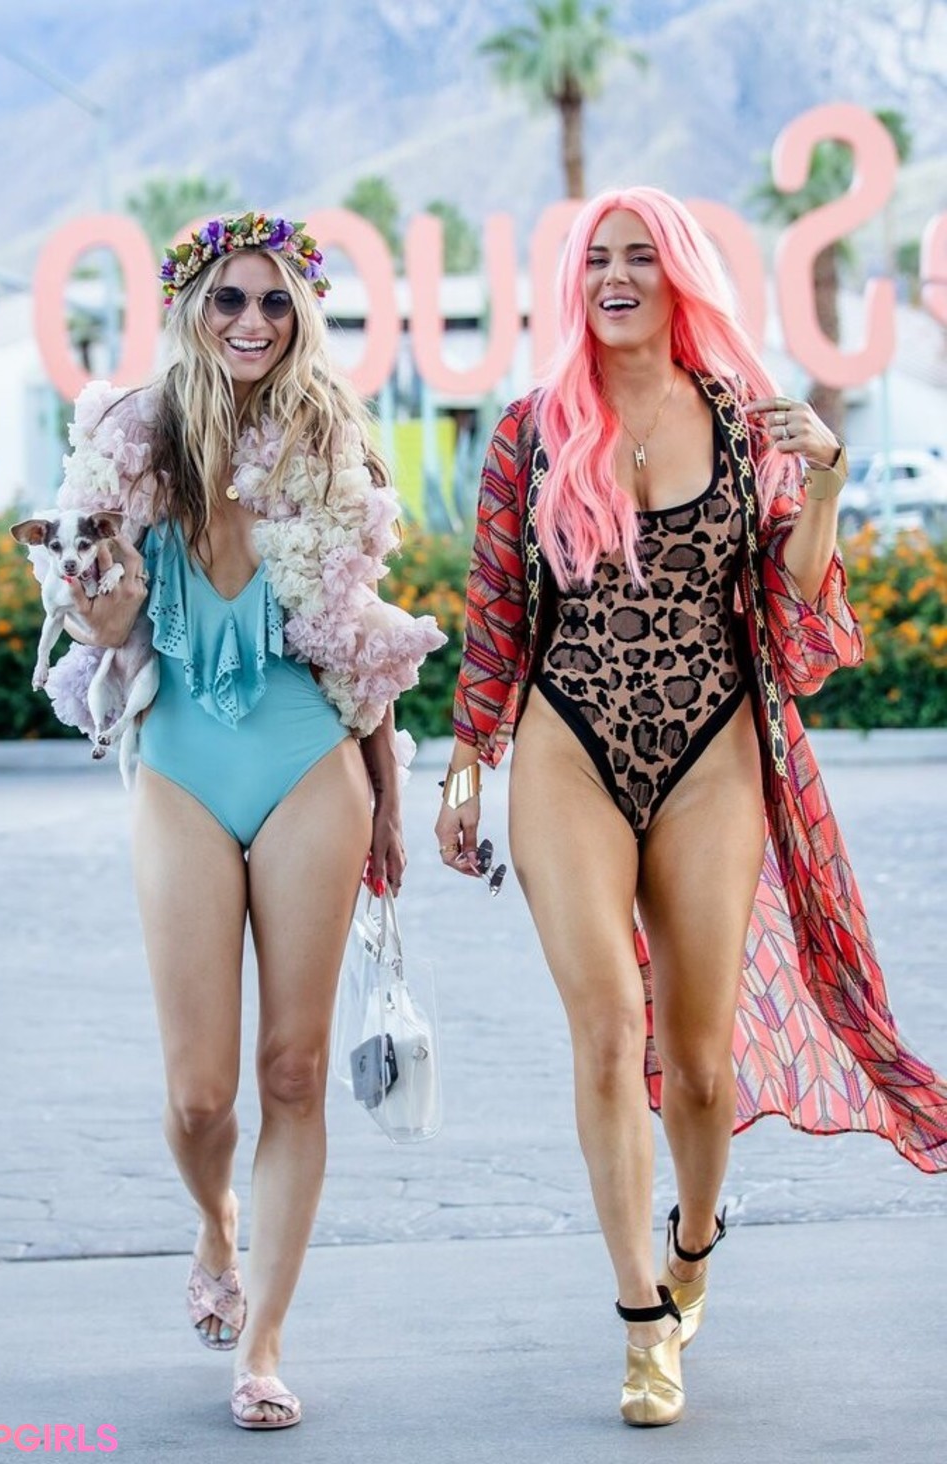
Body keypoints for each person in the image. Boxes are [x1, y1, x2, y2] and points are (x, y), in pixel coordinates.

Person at [436, 186, 947, 1427]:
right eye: (596, 259)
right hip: (568, 739)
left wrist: (823, 481)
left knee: (703, 1067)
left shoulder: (738, 419)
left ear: (680, 276)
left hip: (710, 747)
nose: (615, 277)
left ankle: (695, 1241)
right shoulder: (532, 430)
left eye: (640, 257)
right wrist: (465, 764)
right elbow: (497, 608)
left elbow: (795, 601)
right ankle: (638, 1319)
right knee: (610, 1028)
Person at [42, 211, 444, 1431]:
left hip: (306, 754)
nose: (253, 322)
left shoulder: (334, 444)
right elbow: (107, 623)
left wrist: (387, 797)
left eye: (275, 301)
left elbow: (356, 635)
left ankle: (261, 1342)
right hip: (182, 763)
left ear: (302, 315)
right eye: (230, 299)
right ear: (192, 309)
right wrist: (95, 593)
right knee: (201, 1096)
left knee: (294, 1070)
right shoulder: (132, 438)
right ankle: (216, 1222)